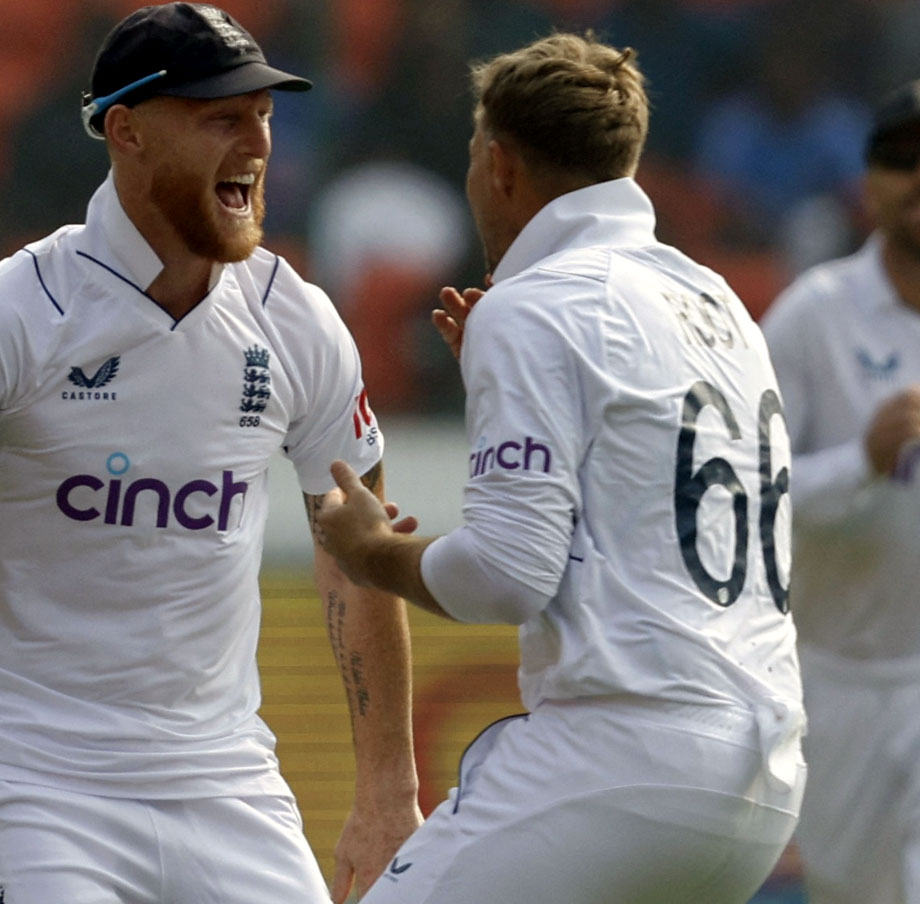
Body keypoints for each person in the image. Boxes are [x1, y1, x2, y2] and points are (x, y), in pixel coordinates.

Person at [0, 4, 421, 901]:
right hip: (33, 791)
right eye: (219, 117)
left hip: (228, 785)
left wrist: (388, 790)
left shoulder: (298, 319)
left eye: (263, 114)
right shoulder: (5, 313)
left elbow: (363, 560)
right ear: (126, 131)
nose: (255, 142)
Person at [318, 32, 807, 903]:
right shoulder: (716, 297)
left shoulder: (536, 307)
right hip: (760, 779)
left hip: (620, 763)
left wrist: (370, 554)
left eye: (475, 159)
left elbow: (506, 576)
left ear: (498, 166)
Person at [759, 79, 920, 904]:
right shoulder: (813, 316)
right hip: (841, 680)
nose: (917, 177)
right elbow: (750, 496)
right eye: (901, 159)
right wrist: (863, 456)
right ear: (869, 185)